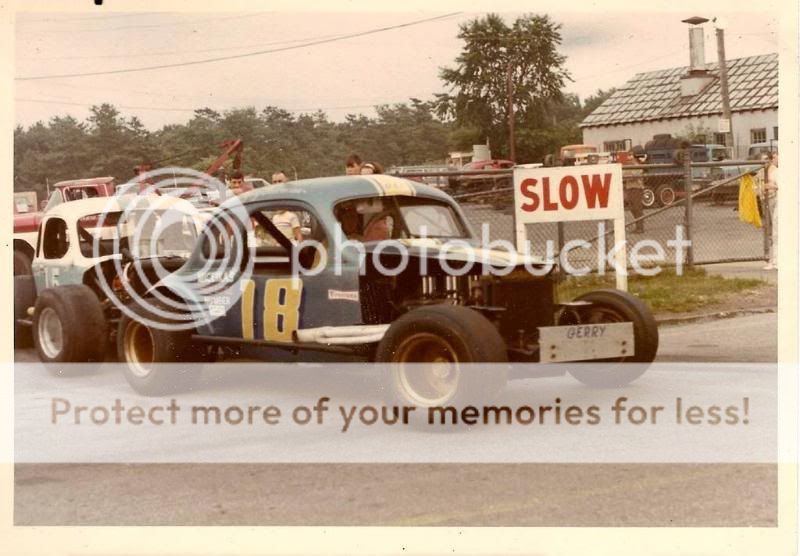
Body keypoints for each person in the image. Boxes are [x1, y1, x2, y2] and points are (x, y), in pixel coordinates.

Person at [623, 149, 646, 233]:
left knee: (637, 208)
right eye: (628, 155)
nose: (629, 157)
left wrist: (627, 175)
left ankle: (640, 227)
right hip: (629, 188)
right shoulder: (628, 166)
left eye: (631, 155)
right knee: (632, 208)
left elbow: (633, 176)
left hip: (637, 188)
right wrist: (628, 175)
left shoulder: (638, 166)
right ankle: (637, 226)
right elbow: (624, 175)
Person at [763, 152, 778, 270]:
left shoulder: (775, 171)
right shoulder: (764, 171)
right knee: (772, 231)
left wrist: (769, 186)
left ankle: (775, 260)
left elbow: (774, 186)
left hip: (775, 201)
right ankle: (773, 259)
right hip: (769, 201)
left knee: (776, 231)